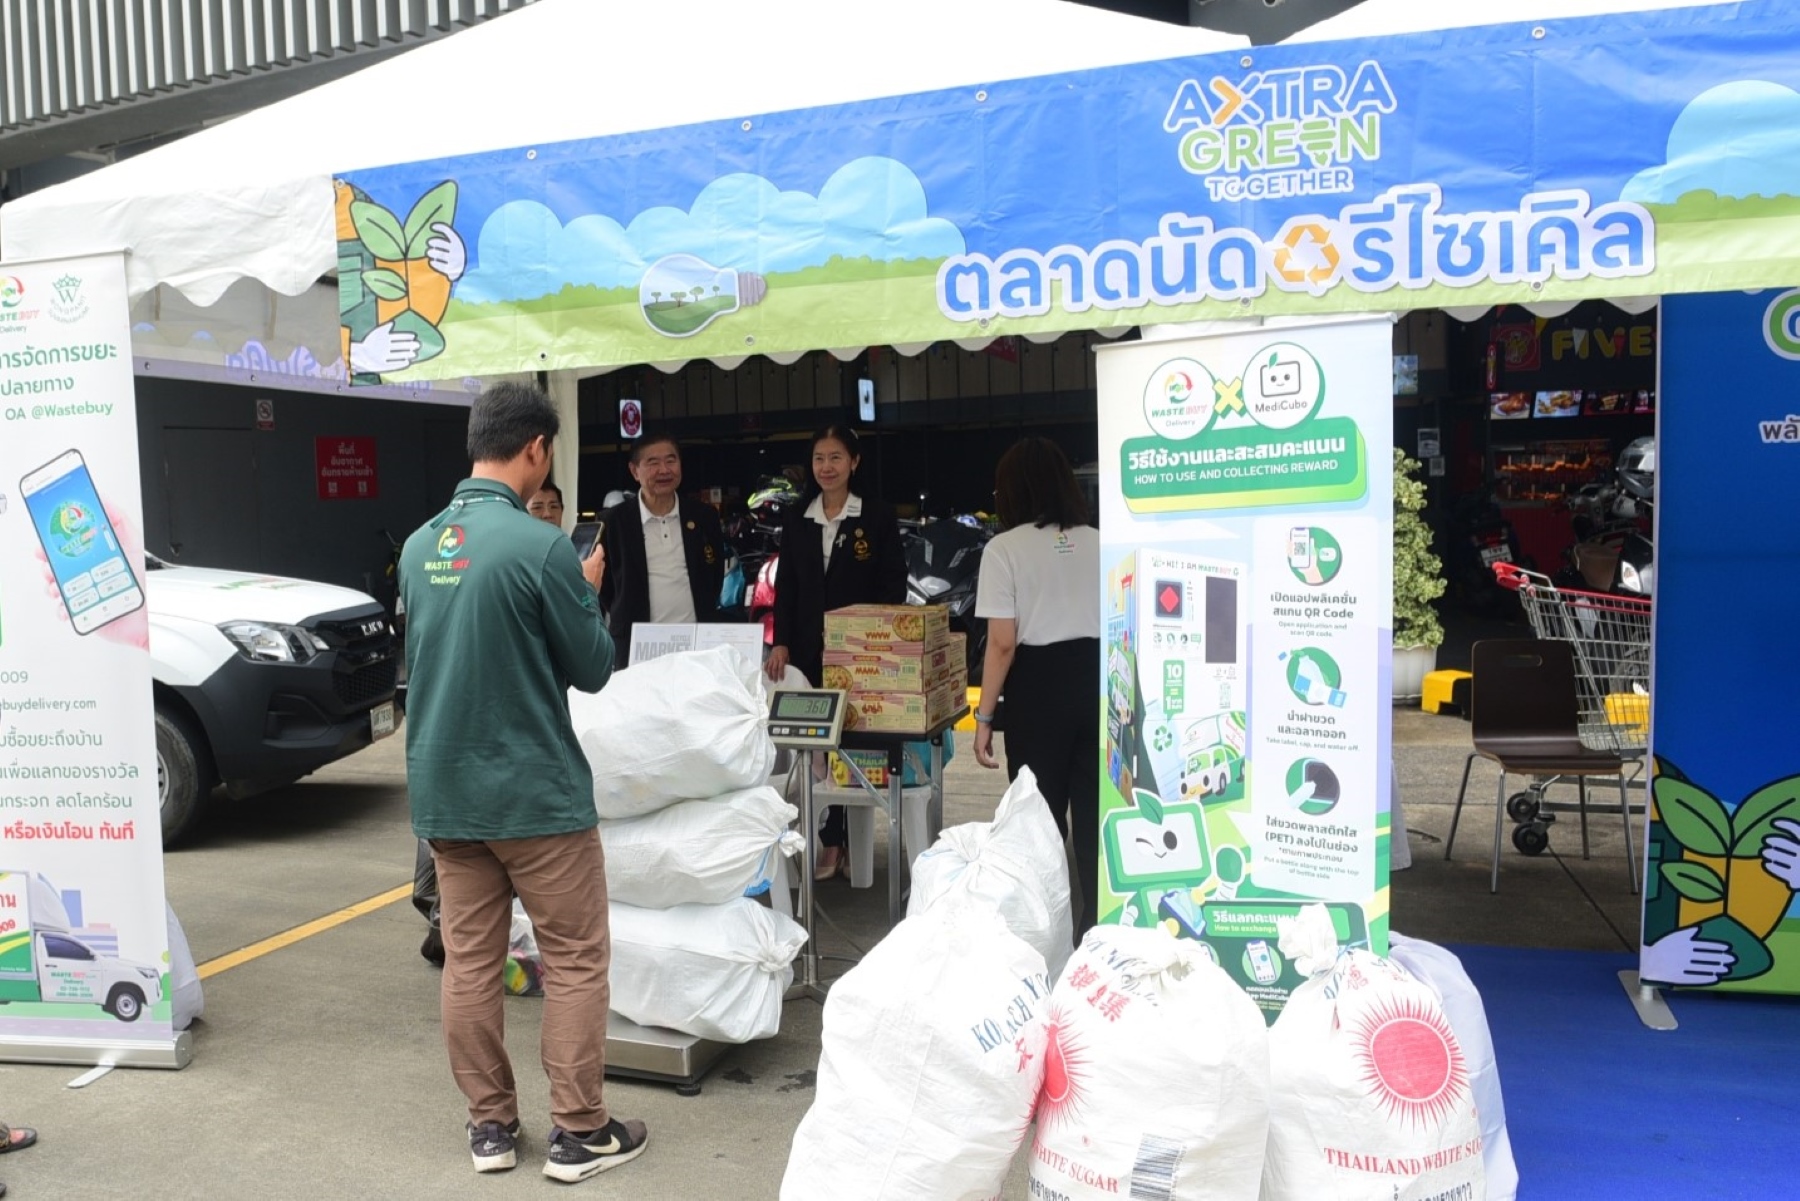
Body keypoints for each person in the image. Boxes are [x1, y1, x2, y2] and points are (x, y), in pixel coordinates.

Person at [400, 381, 647, 1182]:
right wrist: (587, 589)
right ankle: (579, 1129)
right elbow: (594, 667)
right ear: (536, 449)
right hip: (536, 794)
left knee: (470, 962)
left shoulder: (419, 547)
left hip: (447, 794)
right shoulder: (542, 548)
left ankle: (491, 1127)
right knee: (574, 956)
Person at [971, 437, 1102, 935]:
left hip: (1037, 690)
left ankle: (1047, 934)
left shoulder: (1003, 549)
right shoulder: (1100, 540)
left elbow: (1002, 643)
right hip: (1098, 683)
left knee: (1039, 821)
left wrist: (985, 717)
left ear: (1012, 491)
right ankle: (1097, 928)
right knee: (1095, 814)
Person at [765, 424, 906, 879]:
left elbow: (893, 585)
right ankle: (828, 838)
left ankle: (842, 839)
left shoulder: (876, 516)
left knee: (851, 743)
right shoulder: (798, 518)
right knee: (815, 746)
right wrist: (781, 641)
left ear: (854, 462)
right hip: (808, 650)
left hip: (861, 654)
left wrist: (872, 638)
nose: (827, 467)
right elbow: (786, 587)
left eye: (836, 458)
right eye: (819, 458)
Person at [596, 434, 730, 663]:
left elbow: (714, 575)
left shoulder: (704, 516)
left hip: (695, 644)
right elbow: (606, 587)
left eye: (671, 460)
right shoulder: (612, 522)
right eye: (653, 463)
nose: (664, 470)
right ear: (635, 471)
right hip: (637, 646)